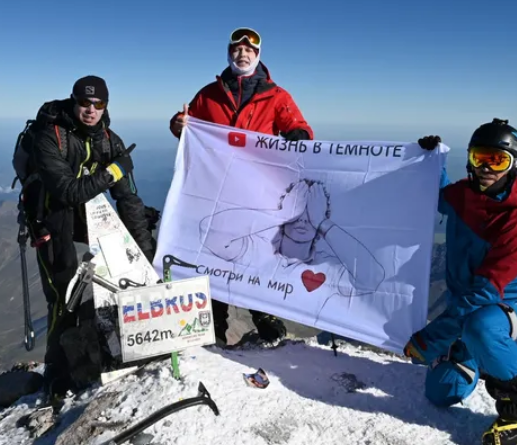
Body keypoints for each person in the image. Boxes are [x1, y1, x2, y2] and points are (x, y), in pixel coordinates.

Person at [168, 27, 314, 346]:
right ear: (229, 53)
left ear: (258, 56)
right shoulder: (209, 94)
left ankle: (263, 315)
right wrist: (177, 124)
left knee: (256, 251)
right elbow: (186, 123)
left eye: (249, 50)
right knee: (215, 251)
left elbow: (299, 127)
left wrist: (298, 138)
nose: (242, 54)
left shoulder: (277, 96)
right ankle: (215, 319)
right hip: (216, 189)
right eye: (237, 49)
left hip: (257, 191)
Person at [404, 118, 517, 445]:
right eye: (479, 157)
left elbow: (482, 294)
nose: (485, 168)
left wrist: (428, 340)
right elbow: (436, 198)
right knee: (441, 393)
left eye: (497, 160)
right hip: (468, 307)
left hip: (511, 306)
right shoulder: (465, 195)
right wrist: (431, 160)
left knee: (482, 326)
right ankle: (474, 354)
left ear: (515, 164)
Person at [17, 75, 159, 396]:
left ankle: (102, 352)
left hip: (84, 214)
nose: (91, 110)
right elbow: (67, 192)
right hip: (49, 216)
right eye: (85, 102)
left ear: (106, 106)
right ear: (74, 101)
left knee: (115, 276)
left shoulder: (110, 140)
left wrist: (145, 258)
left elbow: (129, 200)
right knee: (63, 295)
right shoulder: (50, 137)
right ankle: (56, 370)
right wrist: (113, 171)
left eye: (99, 104)